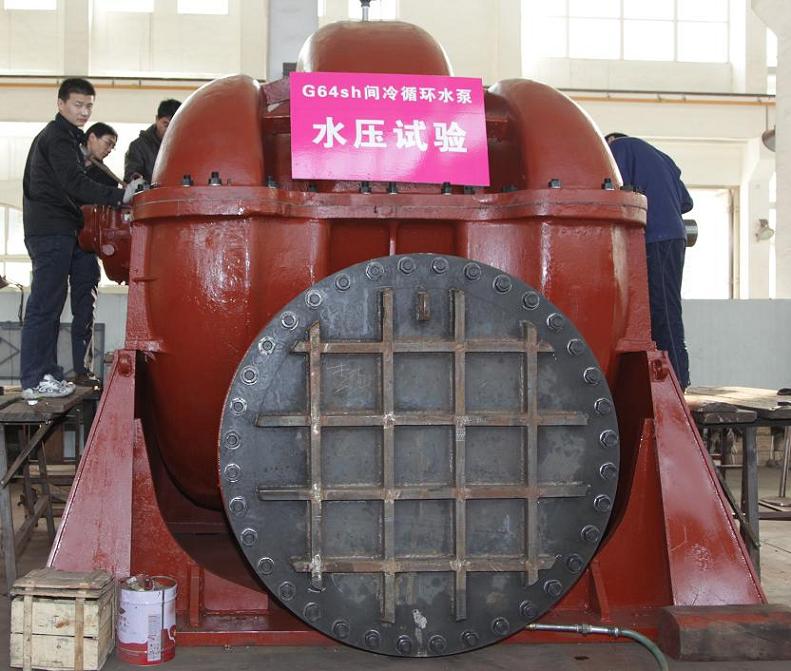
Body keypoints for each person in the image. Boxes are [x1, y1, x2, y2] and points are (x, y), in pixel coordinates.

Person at [21, 78, 142, 399]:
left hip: (57, 229)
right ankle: (34, 378)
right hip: (51, 229)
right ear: (60, 104)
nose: (84, 111)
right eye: (77, 105)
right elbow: (74, 183)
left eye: (88, 106)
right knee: (44, 306)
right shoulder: (58, 138)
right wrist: (120, 196)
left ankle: (47, 373)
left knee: (51, 305)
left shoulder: (67, 139)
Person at [606, 132, 693, 389]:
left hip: (654, 235)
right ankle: (677, 378)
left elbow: (612, 191)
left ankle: (675, 382)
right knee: (667, 307)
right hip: (674, 236)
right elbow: (686, 202)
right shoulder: (662, 157)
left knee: (661, 311)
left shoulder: (618, 148)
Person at [124, 98, 181, 183]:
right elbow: (131, 177)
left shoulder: (186, 146)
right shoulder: (138, 147)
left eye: (175, 125)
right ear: (157, 119)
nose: (170, 130)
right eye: (166, 124)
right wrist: (137, 179)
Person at [83, 122, 122, 187]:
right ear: (92, 137)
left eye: (112, 147)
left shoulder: (107, 177)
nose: (109, 150)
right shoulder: (68, 158)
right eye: (108, 143)